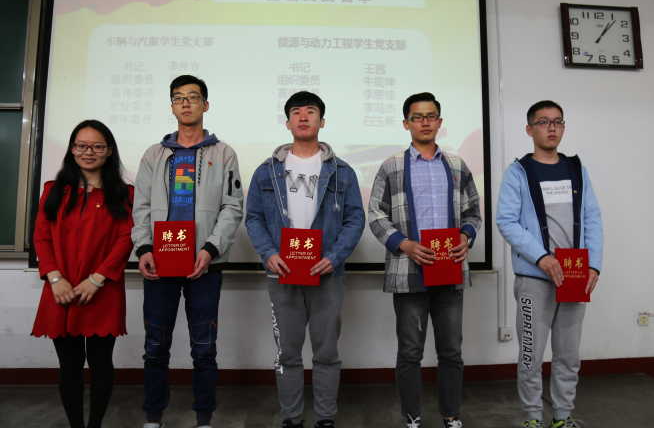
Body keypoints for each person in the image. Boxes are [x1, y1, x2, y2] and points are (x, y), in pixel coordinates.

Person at [245, 91, 365, 428]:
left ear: (321, 121)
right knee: (288, 353)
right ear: (287, 123)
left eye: (310, 111)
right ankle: (292, 418)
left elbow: (355, 219)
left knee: (326, 352)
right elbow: (253, 217)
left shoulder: (342, 172)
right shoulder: (266, 171)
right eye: (296, 112)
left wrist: (334, 257)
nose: (303, 117)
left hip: (327, 274)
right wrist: (268, 253)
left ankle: (325, 418)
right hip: (282, 273)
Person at [131, 75, 244, 428]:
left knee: (204, 348)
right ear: (171, 106)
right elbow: (141, 206)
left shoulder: (223, 153)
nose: (185, 103)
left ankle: (204, 418)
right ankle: (153, 417)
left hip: (204, 265)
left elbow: (233, 206)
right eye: (178, 97)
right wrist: (144, 247)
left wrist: (211, 248)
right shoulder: (154, 154)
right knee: (155, 346)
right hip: (160, 263)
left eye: (193, 97)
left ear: (205, 105)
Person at [367, 92, 482, 428]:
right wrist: (404, 244)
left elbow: (474, 212)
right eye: (417, 117)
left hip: (450, 271)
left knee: (451, 351)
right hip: (409, 272)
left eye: (431, 116)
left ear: (440, 122)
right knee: (410, 352)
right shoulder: (392, 166)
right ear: (406, 124)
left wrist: (465, 237)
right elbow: (375, 214)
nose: (425, 122)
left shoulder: (457, 165)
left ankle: (451, 415)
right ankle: (412, 417)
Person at [496, 100, 603, 428]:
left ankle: (562, 416)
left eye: (557, 121)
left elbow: (592, 218)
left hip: (574, 276)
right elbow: (506, 221)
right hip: (534, 279)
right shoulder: (518, 172)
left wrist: (594, 264)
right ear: (529, 129)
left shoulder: (576, 170)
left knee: (568, 354)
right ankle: (532, 418)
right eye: (543, 122)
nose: (551, 127)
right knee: (531, 354)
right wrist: (542, 257)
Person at [32, 119, 134, 428]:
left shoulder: (124, 194)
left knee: (101, 364)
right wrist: (54, 277)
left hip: (103, 290)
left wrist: (97, 278)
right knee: (69, 366)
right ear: (72, 149)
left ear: (109, 151)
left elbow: (125, 238)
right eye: (82, 146)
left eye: (97, 146)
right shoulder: (53, 191)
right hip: (60, 289)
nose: (88, 152)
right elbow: (42, 237)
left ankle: (95, 425)